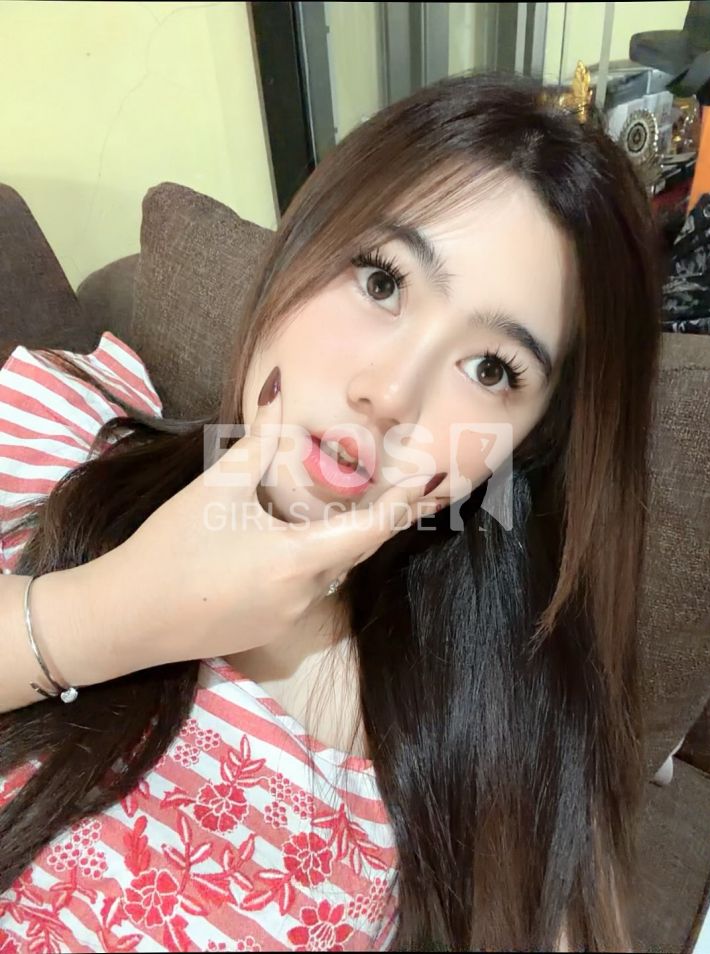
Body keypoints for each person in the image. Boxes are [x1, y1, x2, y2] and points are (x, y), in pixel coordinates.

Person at [0, 72, 661, 952]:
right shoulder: (62, 429)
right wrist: (106, 614)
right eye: (382, 280)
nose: (389, 393)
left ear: (527, 443)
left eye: (492, 369)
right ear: (305, 242)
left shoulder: (499, 733)